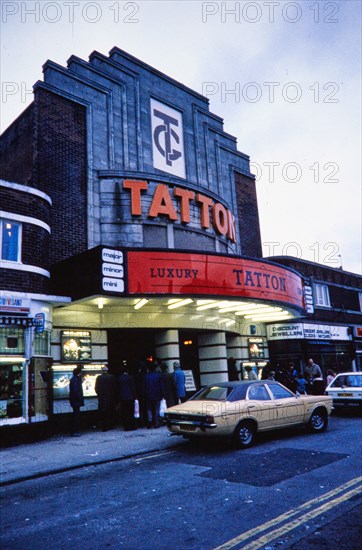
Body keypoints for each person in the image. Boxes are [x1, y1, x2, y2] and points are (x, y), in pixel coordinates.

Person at [144, 364, 164, 428]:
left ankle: (149, 422)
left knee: (149, 409)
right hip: (157, 395)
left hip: (148, 395)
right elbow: (161, 386)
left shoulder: (146, 376)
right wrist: (163, 395)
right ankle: (156, 423)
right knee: (156, 409)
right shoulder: (158, 376)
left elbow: (143, 387)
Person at [69, 365, 84, 436]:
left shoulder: (74, 379)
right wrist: (80, 399)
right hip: (76, 401)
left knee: (75, 416)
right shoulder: (75, 380)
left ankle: (74, 431)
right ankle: (74, 432)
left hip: (74, 401)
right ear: (79, 373)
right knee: (76, 416)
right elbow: (76, 391)